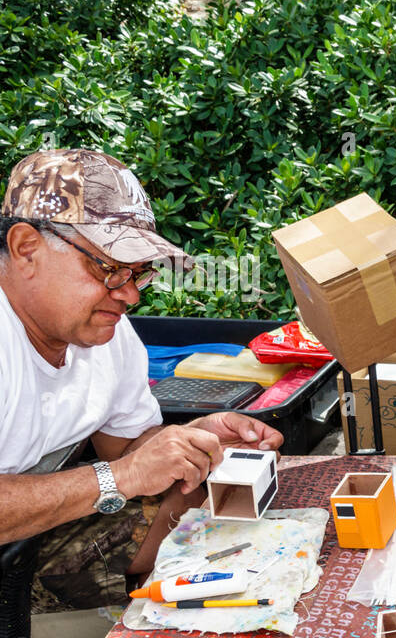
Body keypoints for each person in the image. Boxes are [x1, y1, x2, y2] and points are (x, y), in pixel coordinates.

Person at [0, 149, 283, 612]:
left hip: (29, 533)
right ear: (26, 248)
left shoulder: (106, 332)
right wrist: (122, 476)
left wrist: (188, 439)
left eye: (137, 273)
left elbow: (128, 448)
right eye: (108, 268)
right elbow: (123, 469)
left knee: (194, 493)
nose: (128, 294)